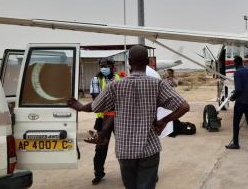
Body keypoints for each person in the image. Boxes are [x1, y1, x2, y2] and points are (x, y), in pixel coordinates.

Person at [68, 45, 190, 189]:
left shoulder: (115, 86)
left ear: (129, 62)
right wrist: (164, 121)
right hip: (149, 150)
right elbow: (184, 107)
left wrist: (80, 107)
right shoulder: (158, 84)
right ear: (147, 62)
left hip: (125, 151)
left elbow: (95, 106)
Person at [89, 56, 120, 185]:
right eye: (102, 66)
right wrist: (112, 101)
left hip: (118, 119)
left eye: (107, 66)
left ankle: (128, 172)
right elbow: (96, 100)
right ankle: (99, 173)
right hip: (102, 119)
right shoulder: (95, 80)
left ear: (113, 67)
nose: (104, 69)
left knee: (123, 147)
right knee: (101, 148)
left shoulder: (119, 79)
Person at [225, 56, 248, 154]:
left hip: (241, 102)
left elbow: (239, 89)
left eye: (234, 64)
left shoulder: (237, 73)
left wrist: (233, 97)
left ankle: (235, 143)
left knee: (236, 123)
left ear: (236, 63)